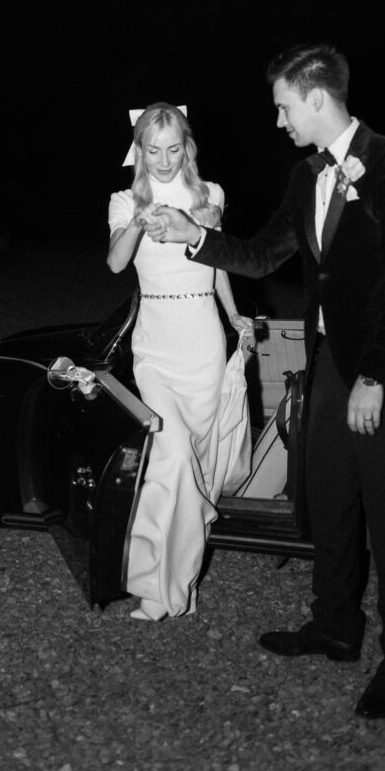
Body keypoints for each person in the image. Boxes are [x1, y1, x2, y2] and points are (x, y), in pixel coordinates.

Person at [149, 44, 385, 718]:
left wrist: (374, 376)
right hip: (332, 365)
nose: (277, 121)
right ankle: (335, 626)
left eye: (282, 106)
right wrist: (190, 236)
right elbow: (260, 253)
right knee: (329, 501)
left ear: (315, 97)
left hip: (384, 375)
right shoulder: (305, 174)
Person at [107, 102, 253, 622]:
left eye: (173, 148)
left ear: (185, 146)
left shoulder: (209, 195)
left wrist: (235, 316)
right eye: (153, 149)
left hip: (203, 343)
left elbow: (217, 266)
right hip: (155, 349)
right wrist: (141, 225)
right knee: (168, 457)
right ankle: (154, 587)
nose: (164, 160)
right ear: (139, 150)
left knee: (195, 469)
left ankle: (181, 584)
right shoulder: (124, 200)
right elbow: (116, 262)